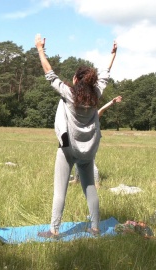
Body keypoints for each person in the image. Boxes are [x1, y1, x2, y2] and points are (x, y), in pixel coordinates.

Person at [35, 34, 117, 238]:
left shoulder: (70, 94)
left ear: (75, 79)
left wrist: (39, 49)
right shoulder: (96, 95)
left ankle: (54, 230)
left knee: (59, 191)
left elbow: (50, 74)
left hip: (67, 149)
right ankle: (96, 228)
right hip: (88, 151)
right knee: (89, 187)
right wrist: (112, 56)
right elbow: (106, 75)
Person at [70, 96, 123, 188]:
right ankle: (77, 179)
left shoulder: (93, 116)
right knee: (78, 160)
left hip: (91, 142)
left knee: (90, 161)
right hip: (81, 142)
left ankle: (97, 183)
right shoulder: (80, 118)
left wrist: (112, 102)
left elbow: (102, 109)